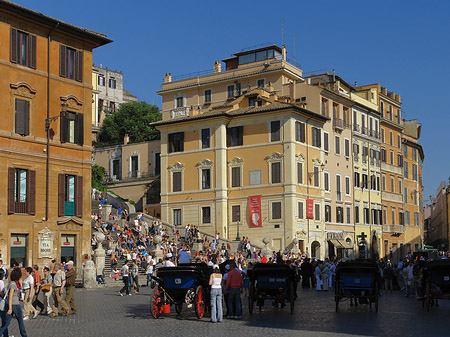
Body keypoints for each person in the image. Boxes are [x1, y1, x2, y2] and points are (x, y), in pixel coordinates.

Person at [0, 268, 28, 336]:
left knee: (6, 323)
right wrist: (10, 308)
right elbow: (10, 296)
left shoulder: (11, 283)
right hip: (14, 305)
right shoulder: (13, 285)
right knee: (20, 321)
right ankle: (24, 335)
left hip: (11, 304)